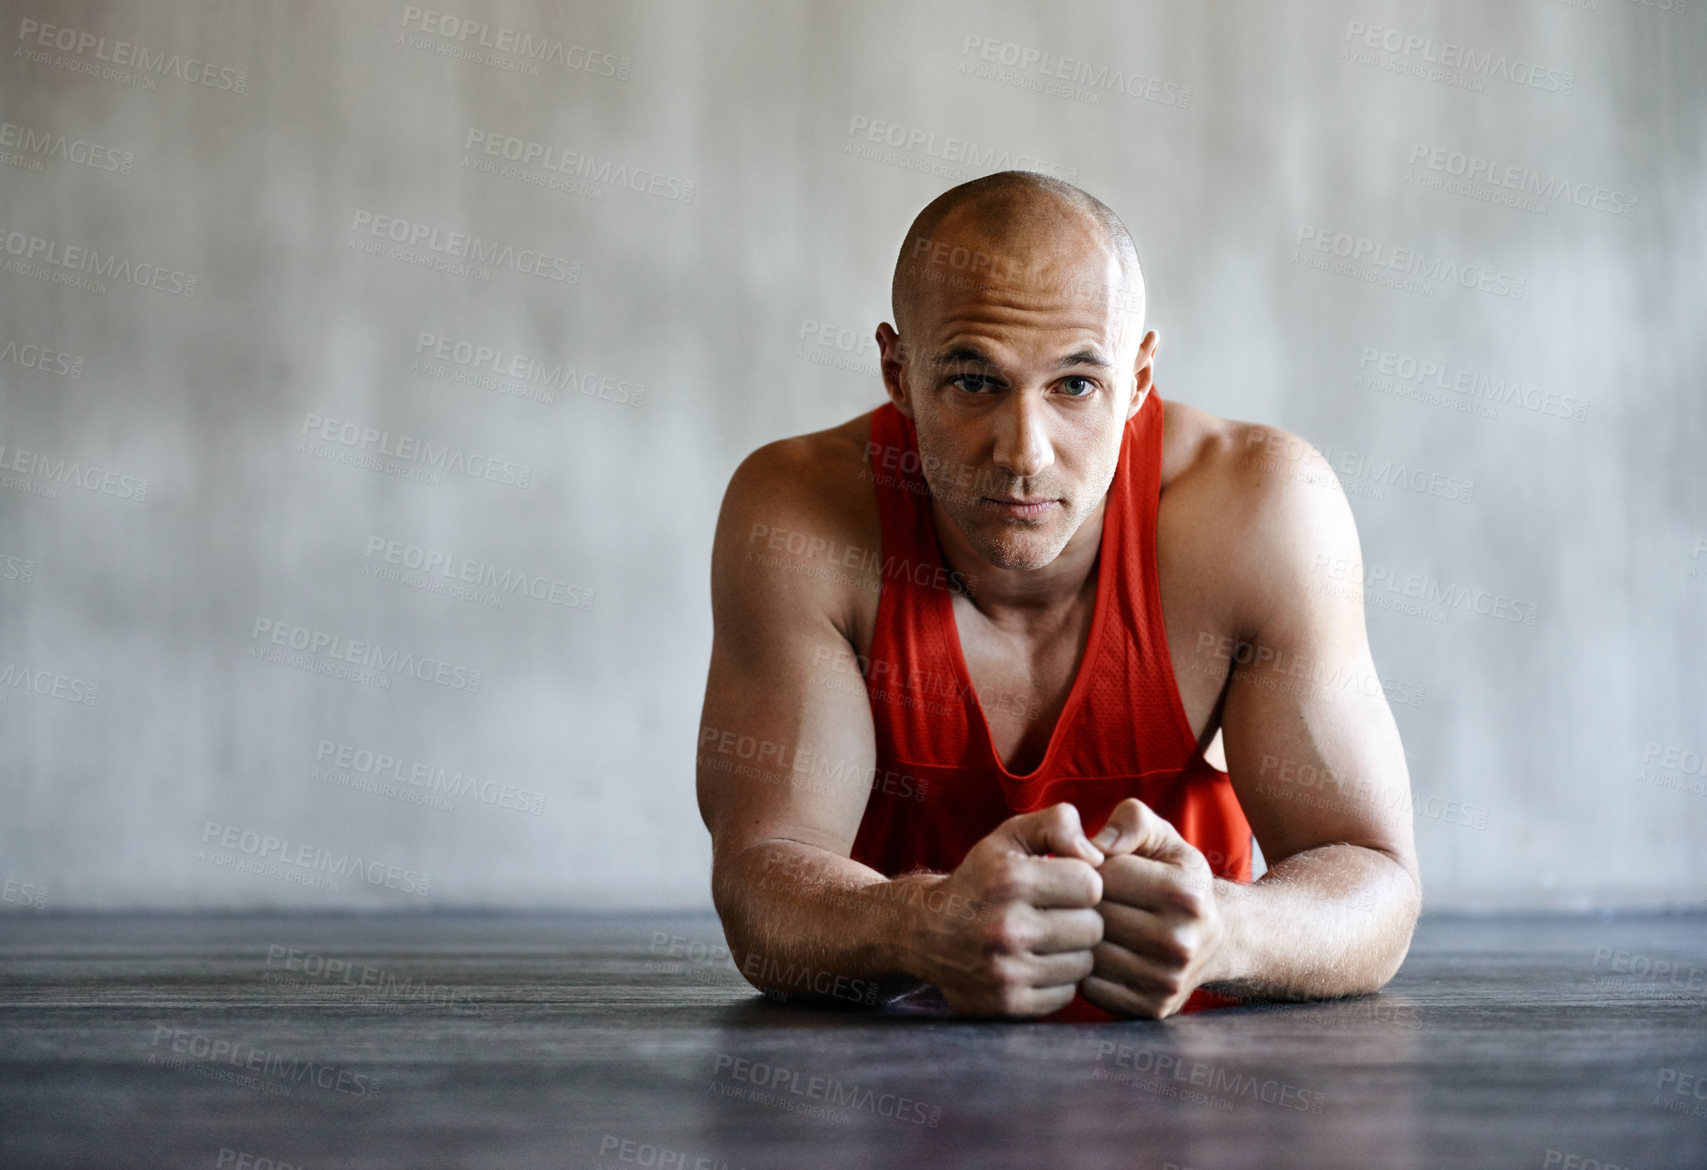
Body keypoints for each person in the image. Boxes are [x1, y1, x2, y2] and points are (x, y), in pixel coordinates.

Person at [696, 171, 1420, 1019]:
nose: (1024, 453)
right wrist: (917, 925)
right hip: (893, 1098)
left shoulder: (1261, 509)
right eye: (974, 382)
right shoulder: (797, 513)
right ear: (897, 371)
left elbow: (1375, 882)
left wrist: (1230, 930)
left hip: (1192, 1096)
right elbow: (762, 880)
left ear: (1138, 379)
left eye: (1075, 385)